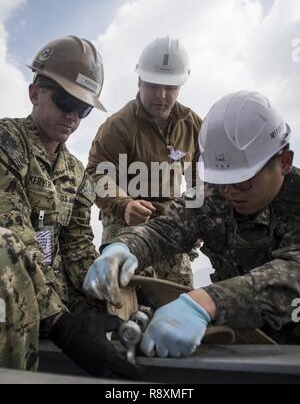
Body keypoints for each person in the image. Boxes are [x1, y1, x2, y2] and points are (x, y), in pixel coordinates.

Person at [83, 90, 300, 357]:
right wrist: (123, 248)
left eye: (242, 180)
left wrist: (207, 302)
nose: (230, 192)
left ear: (284, 162)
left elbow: (294, 274)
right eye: (221, 180)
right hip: (241, 345)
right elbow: (166, 230)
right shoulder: (213, 195)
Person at [0, 35, 139, 379]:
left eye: (83, 109)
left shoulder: (77, 172)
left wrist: (108, 288)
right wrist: (63, 325)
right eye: (65, 101)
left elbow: (76, 244)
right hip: (11, 295)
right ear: (35, 94)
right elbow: (14, 236)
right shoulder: (7, 142)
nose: (73, 117)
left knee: (123, 297)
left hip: (53, 297)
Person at [86, 36, 202, 288]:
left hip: (172, 231)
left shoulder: (193, 125)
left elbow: (202, 177)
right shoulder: (117, 126)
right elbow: (96, 175)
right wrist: (124, 205)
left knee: (177, 300)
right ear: (139, 81)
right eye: (153, 85)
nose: (161, 96)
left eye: (170, 87)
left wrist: (198, 215)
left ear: (181, 85)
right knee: (128, 309)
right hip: (124, 228)